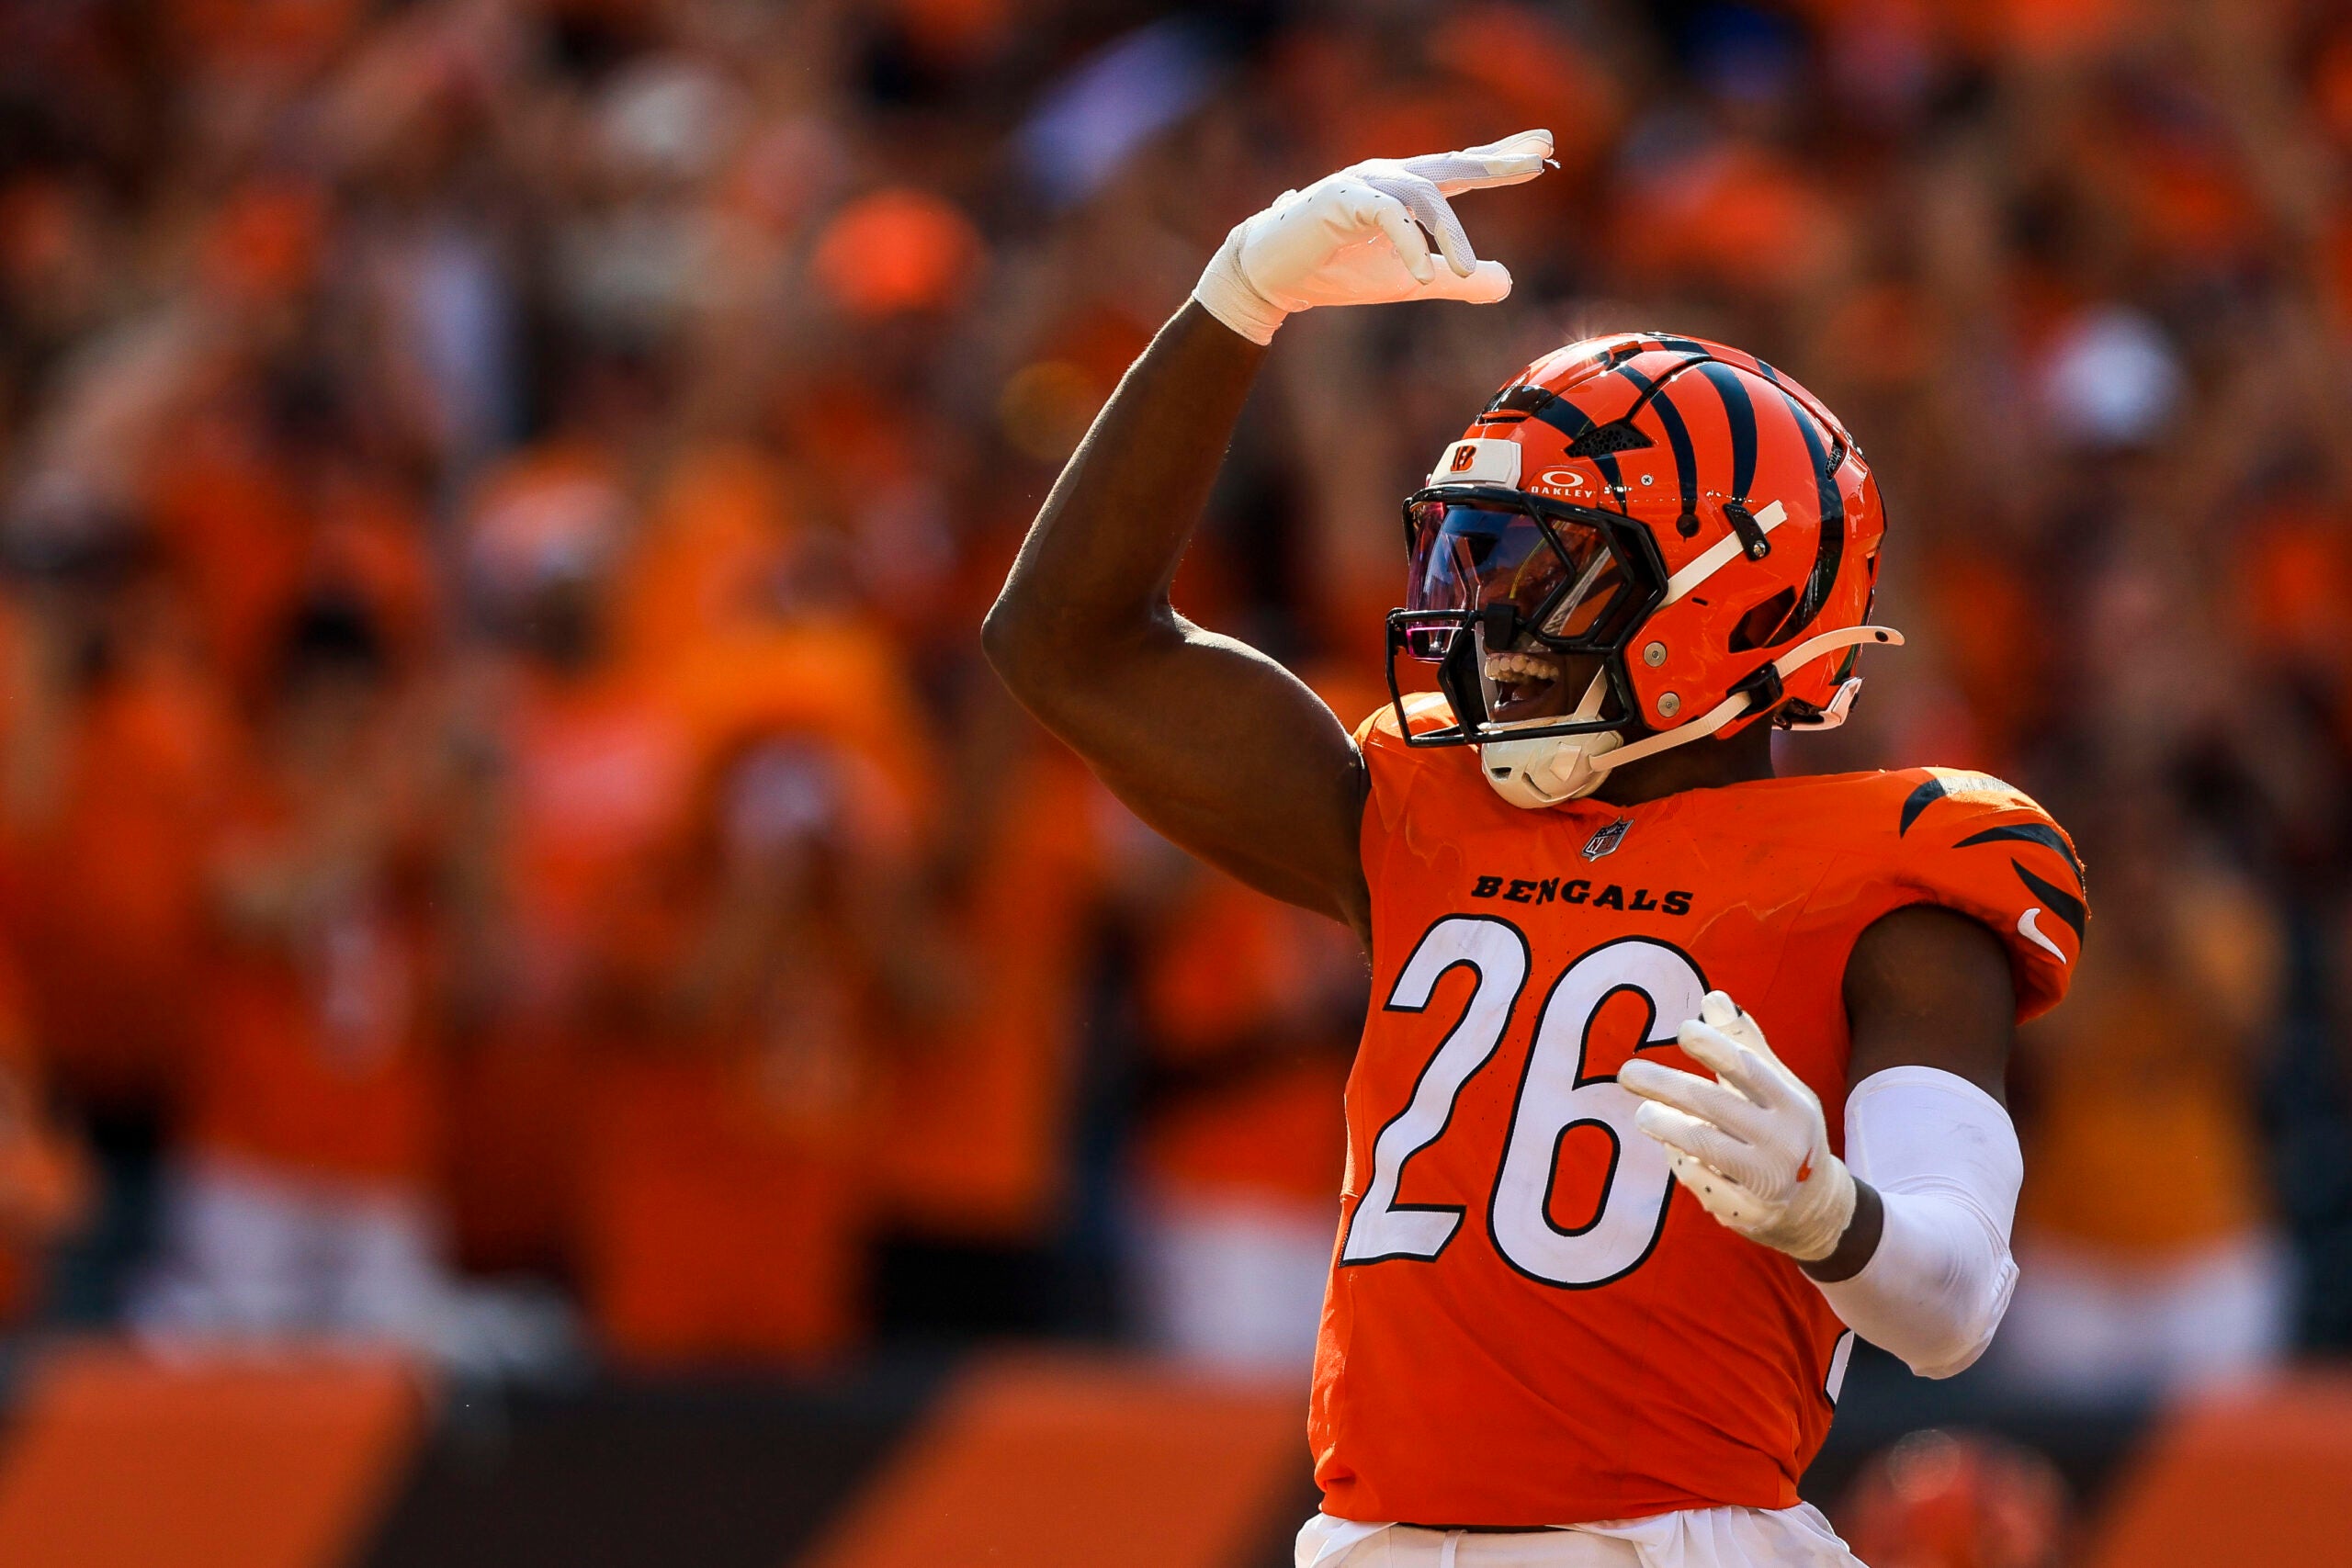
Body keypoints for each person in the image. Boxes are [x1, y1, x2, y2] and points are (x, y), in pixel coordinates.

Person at [983, 132, 2087, 1568]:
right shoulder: (1429, 811)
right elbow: (1063, 643)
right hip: (1377, 1539)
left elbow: (1949, 1306)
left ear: (1728, 599)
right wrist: (1240, 295)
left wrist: (1829, 1212)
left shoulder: (1893, 870)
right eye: (1469, 562)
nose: (1480, 620)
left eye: (1536, 573)